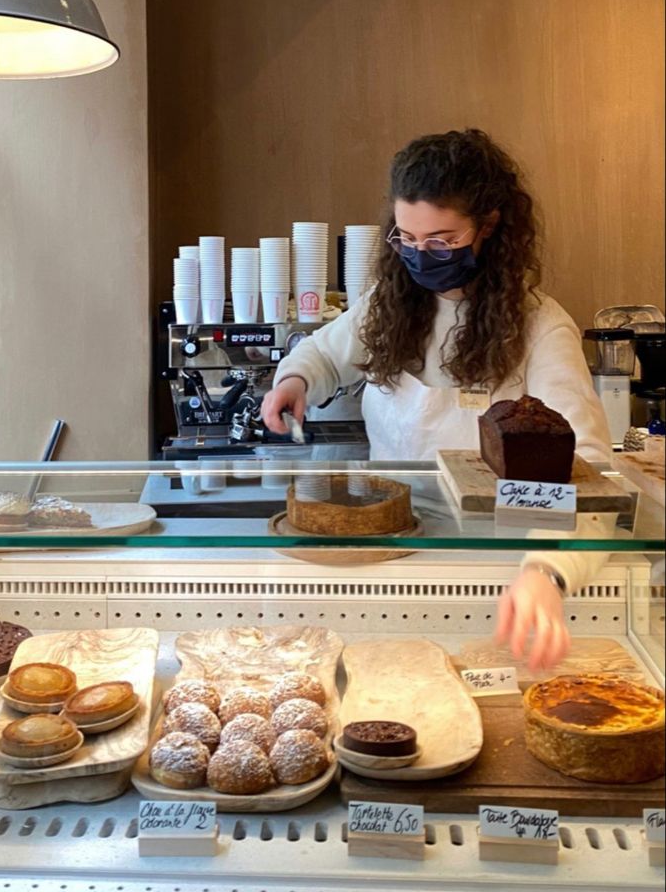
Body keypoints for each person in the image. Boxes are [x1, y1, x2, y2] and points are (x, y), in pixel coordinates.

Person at [262, 130, 613, 670]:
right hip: (390, 553)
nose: (422, 256)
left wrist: (548, 571)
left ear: (490, 226)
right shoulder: (391, 302)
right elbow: (326, 356)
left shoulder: (542, 327)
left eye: (443, 241)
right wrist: (296, 381)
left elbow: (588, 472)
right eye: (407, 239)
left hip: (503, 574)